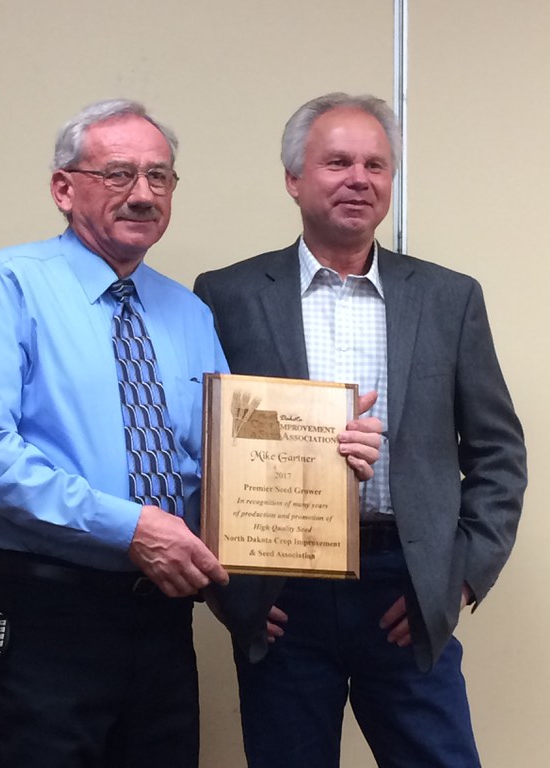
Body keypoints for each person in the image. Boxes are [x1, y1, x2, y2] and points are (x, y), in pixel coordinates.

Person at [194, 92, 527, 768]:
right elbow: (197, 448)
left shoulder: (448, 298)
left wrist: (456, 579)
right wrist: (227, 589)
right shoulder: (226, 295)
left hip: (403, 585)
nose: (359, 179)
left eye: (376, 165)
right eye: (337, 162)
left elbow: (499, 454)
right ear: (294, 179)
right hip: (282, 591)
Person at [0, 99, 230, 768]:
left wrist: (322, 456)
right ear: (65, 188)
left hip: (164, 620)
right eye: (118, 174)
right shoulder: (8, 285)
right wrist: (131, 528)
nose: (143, 194)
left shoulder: (189, 312)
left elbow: (225, 463)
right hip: (50, 615)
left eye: (160, 176)